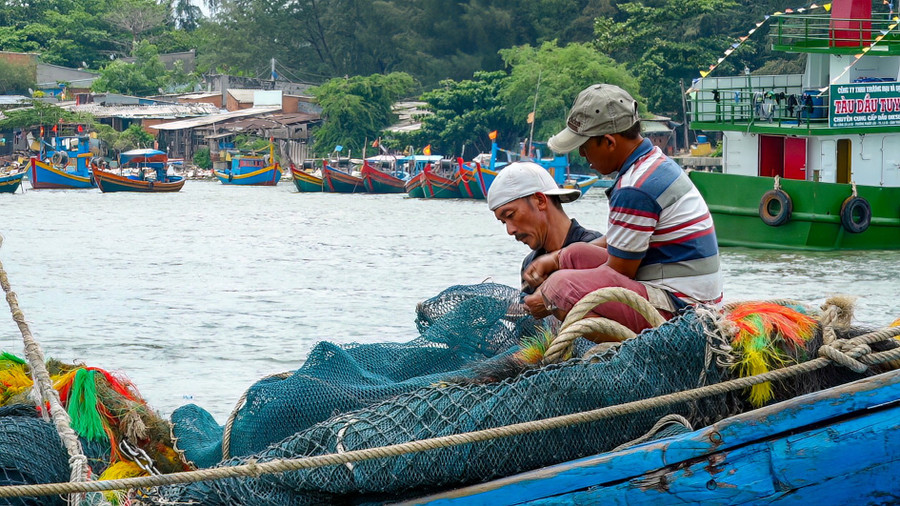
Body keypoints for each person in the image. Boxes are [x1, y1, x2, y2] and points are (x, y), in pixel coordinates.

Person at [523, 83, 723, 336]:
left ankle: (627, 350)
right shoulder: (653, 162)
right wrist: (556, 258)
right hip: (681, 292)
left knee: (560, 288)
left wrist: (547, 296)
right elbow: (621, 241)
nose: (583, 155)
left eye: (584, 146)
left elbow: (619, 270)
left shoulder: (635, 187)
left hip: (681, 310)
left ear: (608, 142)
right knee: (573, 255)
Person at [487, 161, 602, 295]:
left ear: (540, 201)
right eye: (503, 222)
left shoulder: (595, 248)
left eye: (510, 215)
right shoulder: (530, 265)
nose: (510, 230)